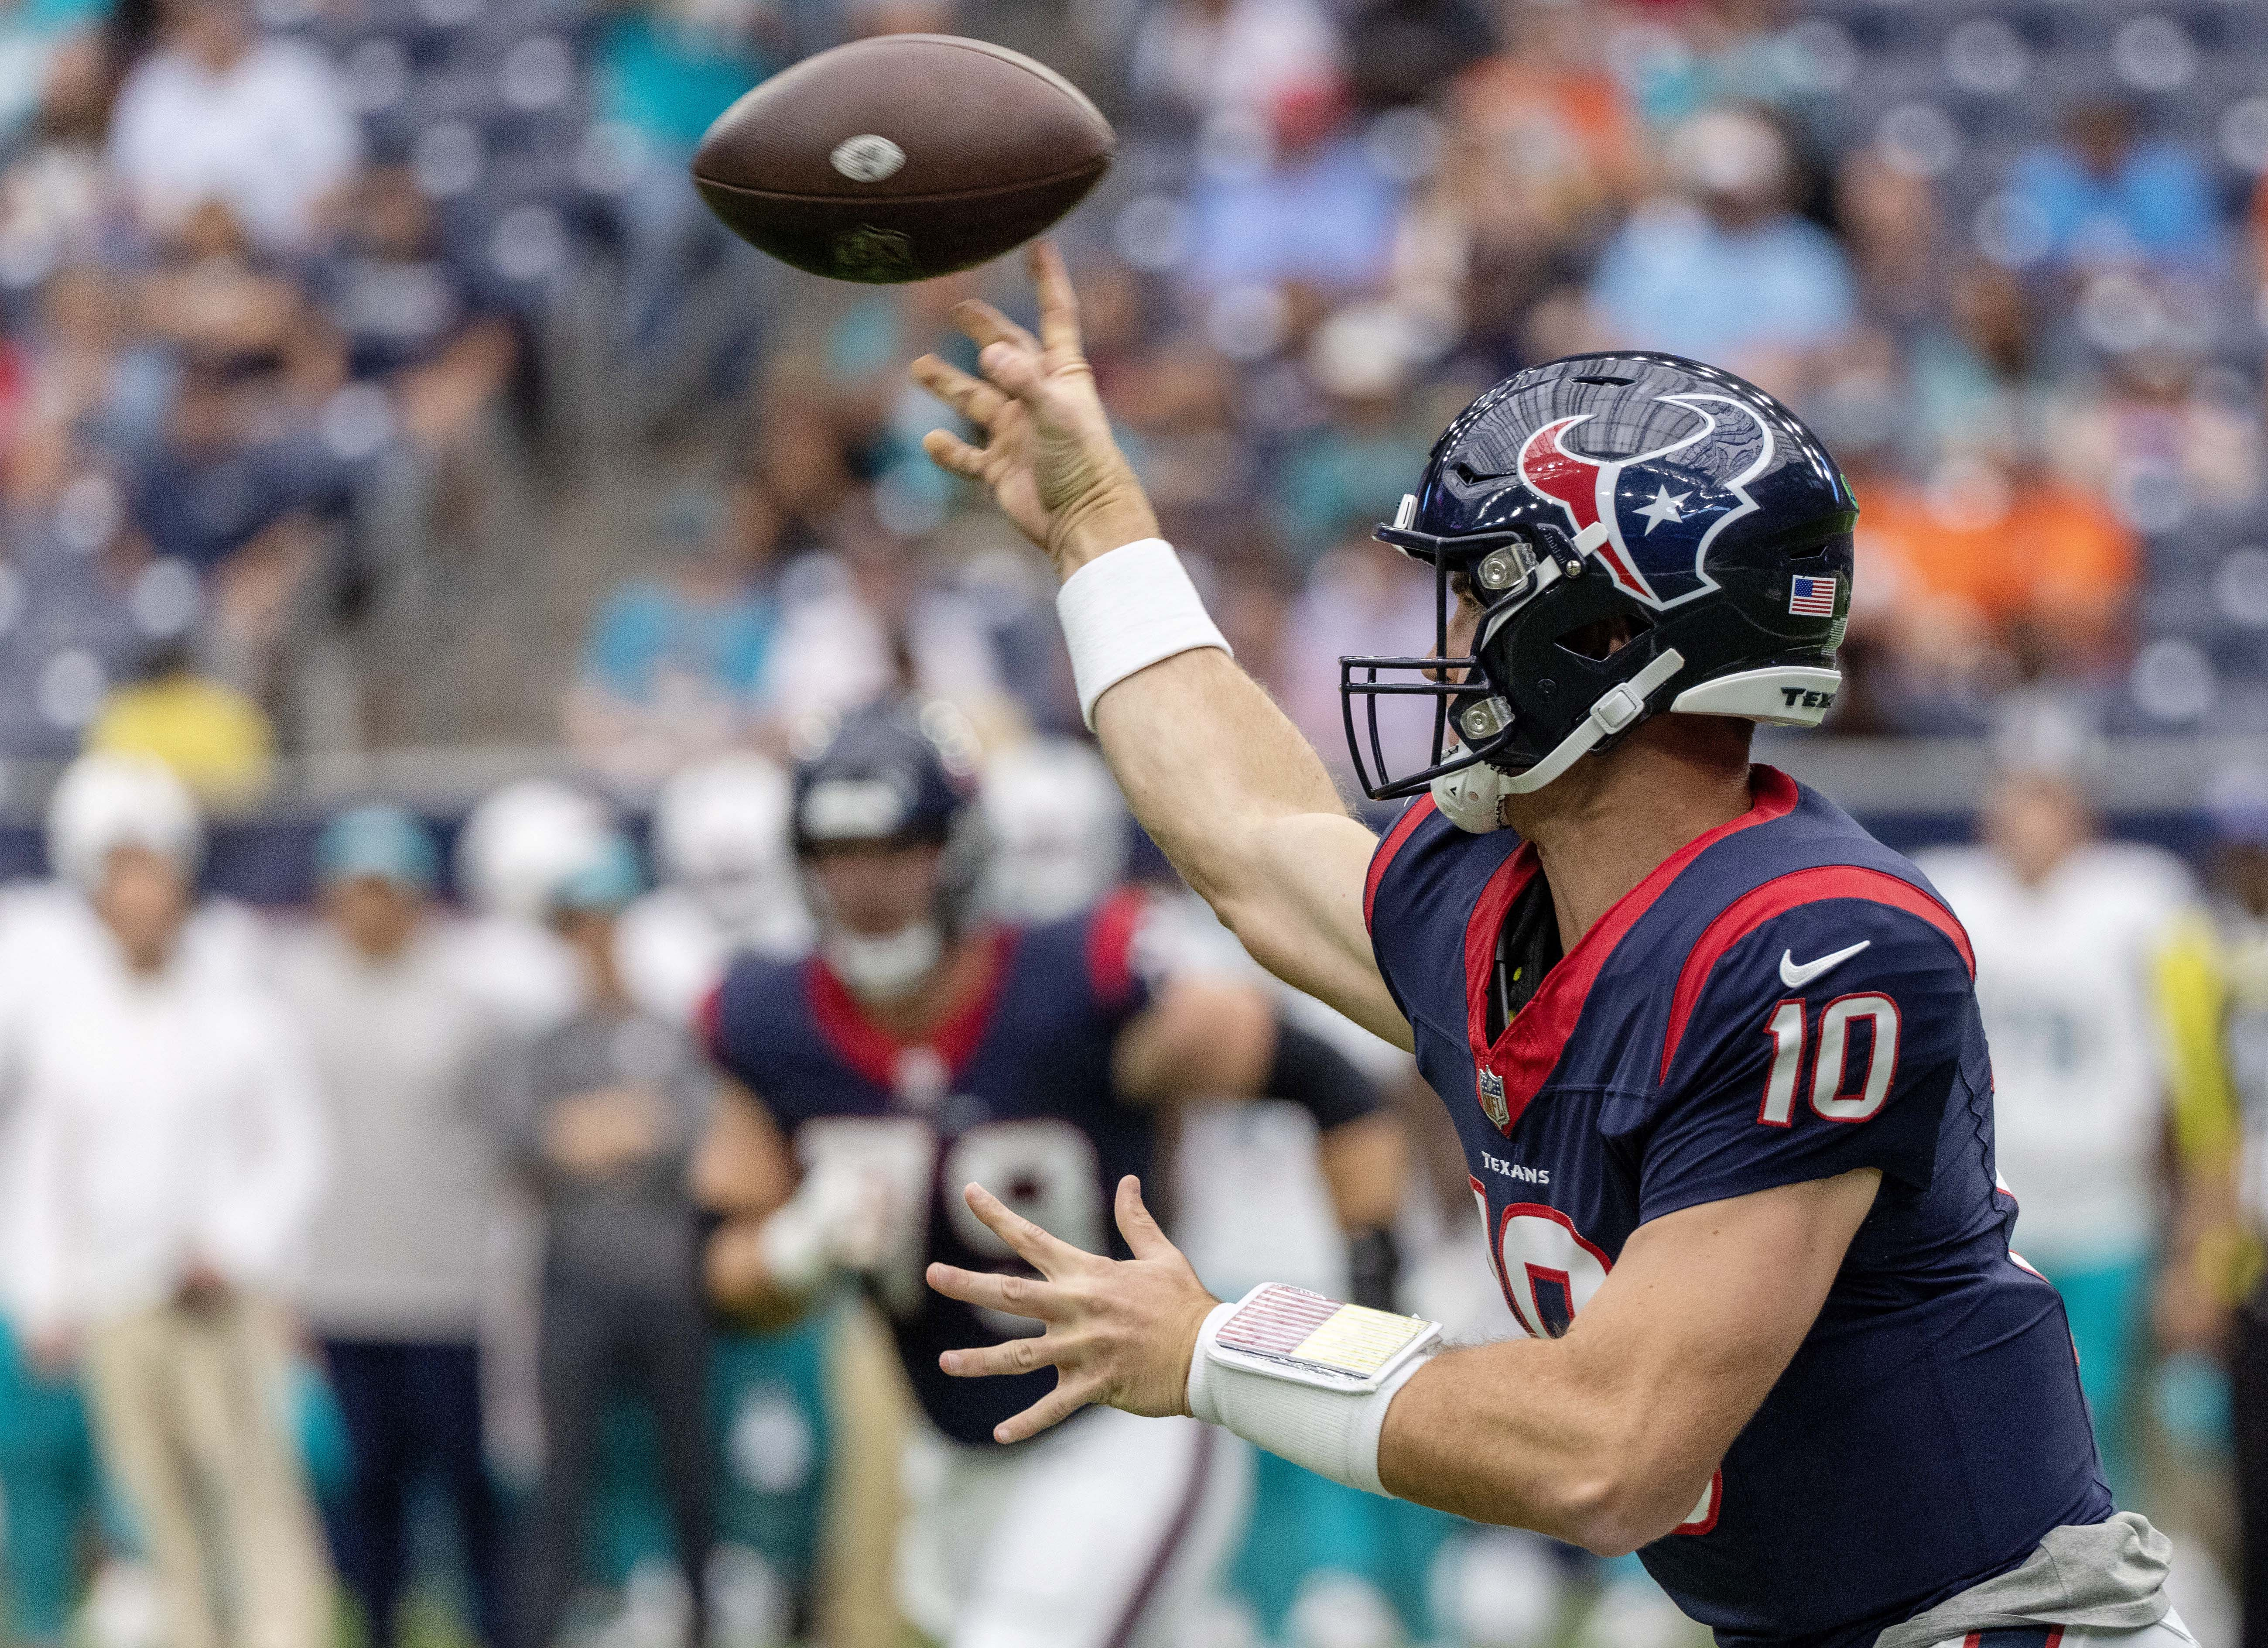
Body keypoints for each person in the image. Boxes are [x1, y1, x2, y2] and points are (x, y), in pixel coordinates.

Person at [901, 243, 2185, 1645]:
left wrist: (1219, 1346)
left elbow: (1612, 1449)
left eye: (1475, 591)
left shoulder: (1819, 948)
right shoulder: (1502, 893)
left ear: (1601, 635)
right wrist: (1097, 526)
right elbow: (1252, 841)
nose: (1445, 643)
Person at [691, 698, 1405, 1648]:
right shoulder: (769, 1023)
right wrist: (792, 1249)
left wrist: (1372, 1277)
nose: (867, 886)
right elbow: (719, 1275)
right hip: (955, 1452)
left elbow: (1325, 1077)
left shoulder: (1077, 979)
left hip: (1127, 1423)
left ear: (959, 850)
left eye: (896, 850)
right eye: (840, 855)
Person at [0, 753, 332, 1648]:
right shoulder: (72, 1029)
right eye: (124, 877)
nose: (143, 897)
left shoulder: (240, 1010)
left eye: (156, 874)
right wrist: (46, 1295)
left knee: (256, 1489)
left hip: (221, 1292)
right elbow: (44, 1174)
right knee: (154, 1507)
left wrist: (235, 1241)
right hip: (118, 1296)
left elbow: (296, 1148)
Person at [1917, 770, 2195, 1502]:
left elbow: (2177, 1069)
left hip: (2109, 1205)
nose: (2032, 819)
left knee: (2098, 1403)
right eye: (2019, 795)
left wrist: (2185, 1217)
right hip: (1990, 1205)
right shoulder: (1951, 890)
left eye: (2049, 798)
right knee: (1985, 1404)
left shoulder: (2140, 899)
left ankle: (2107, 1558)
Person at [275, 805, 510, 1648]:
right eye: (358, 889)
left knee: (466, 1479)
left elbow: (499, 1142)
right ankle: (376, 1625)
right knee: (364, 1482)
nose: (374, 907)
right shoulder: (290, 990)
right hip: (339, 1281)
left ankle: (494, 1625)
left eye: (390, 888)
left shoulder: (466, 1001)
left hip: (445, 1283)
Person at [489, 831, 717, 1648]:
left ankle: (704, 1622)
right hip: (575, 1283)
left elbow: (690, 1131)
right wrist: (625, 1126)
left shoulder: (672, 1027)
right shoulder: (544, 1040)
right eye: (576, 925)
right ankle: (541, 1627)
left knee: (691, 1473)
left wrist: (599, 1130)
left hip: (668, 1282)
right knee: (562, 1480)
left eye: (602, 921)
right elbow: (532, 1141)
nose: (590, 940)